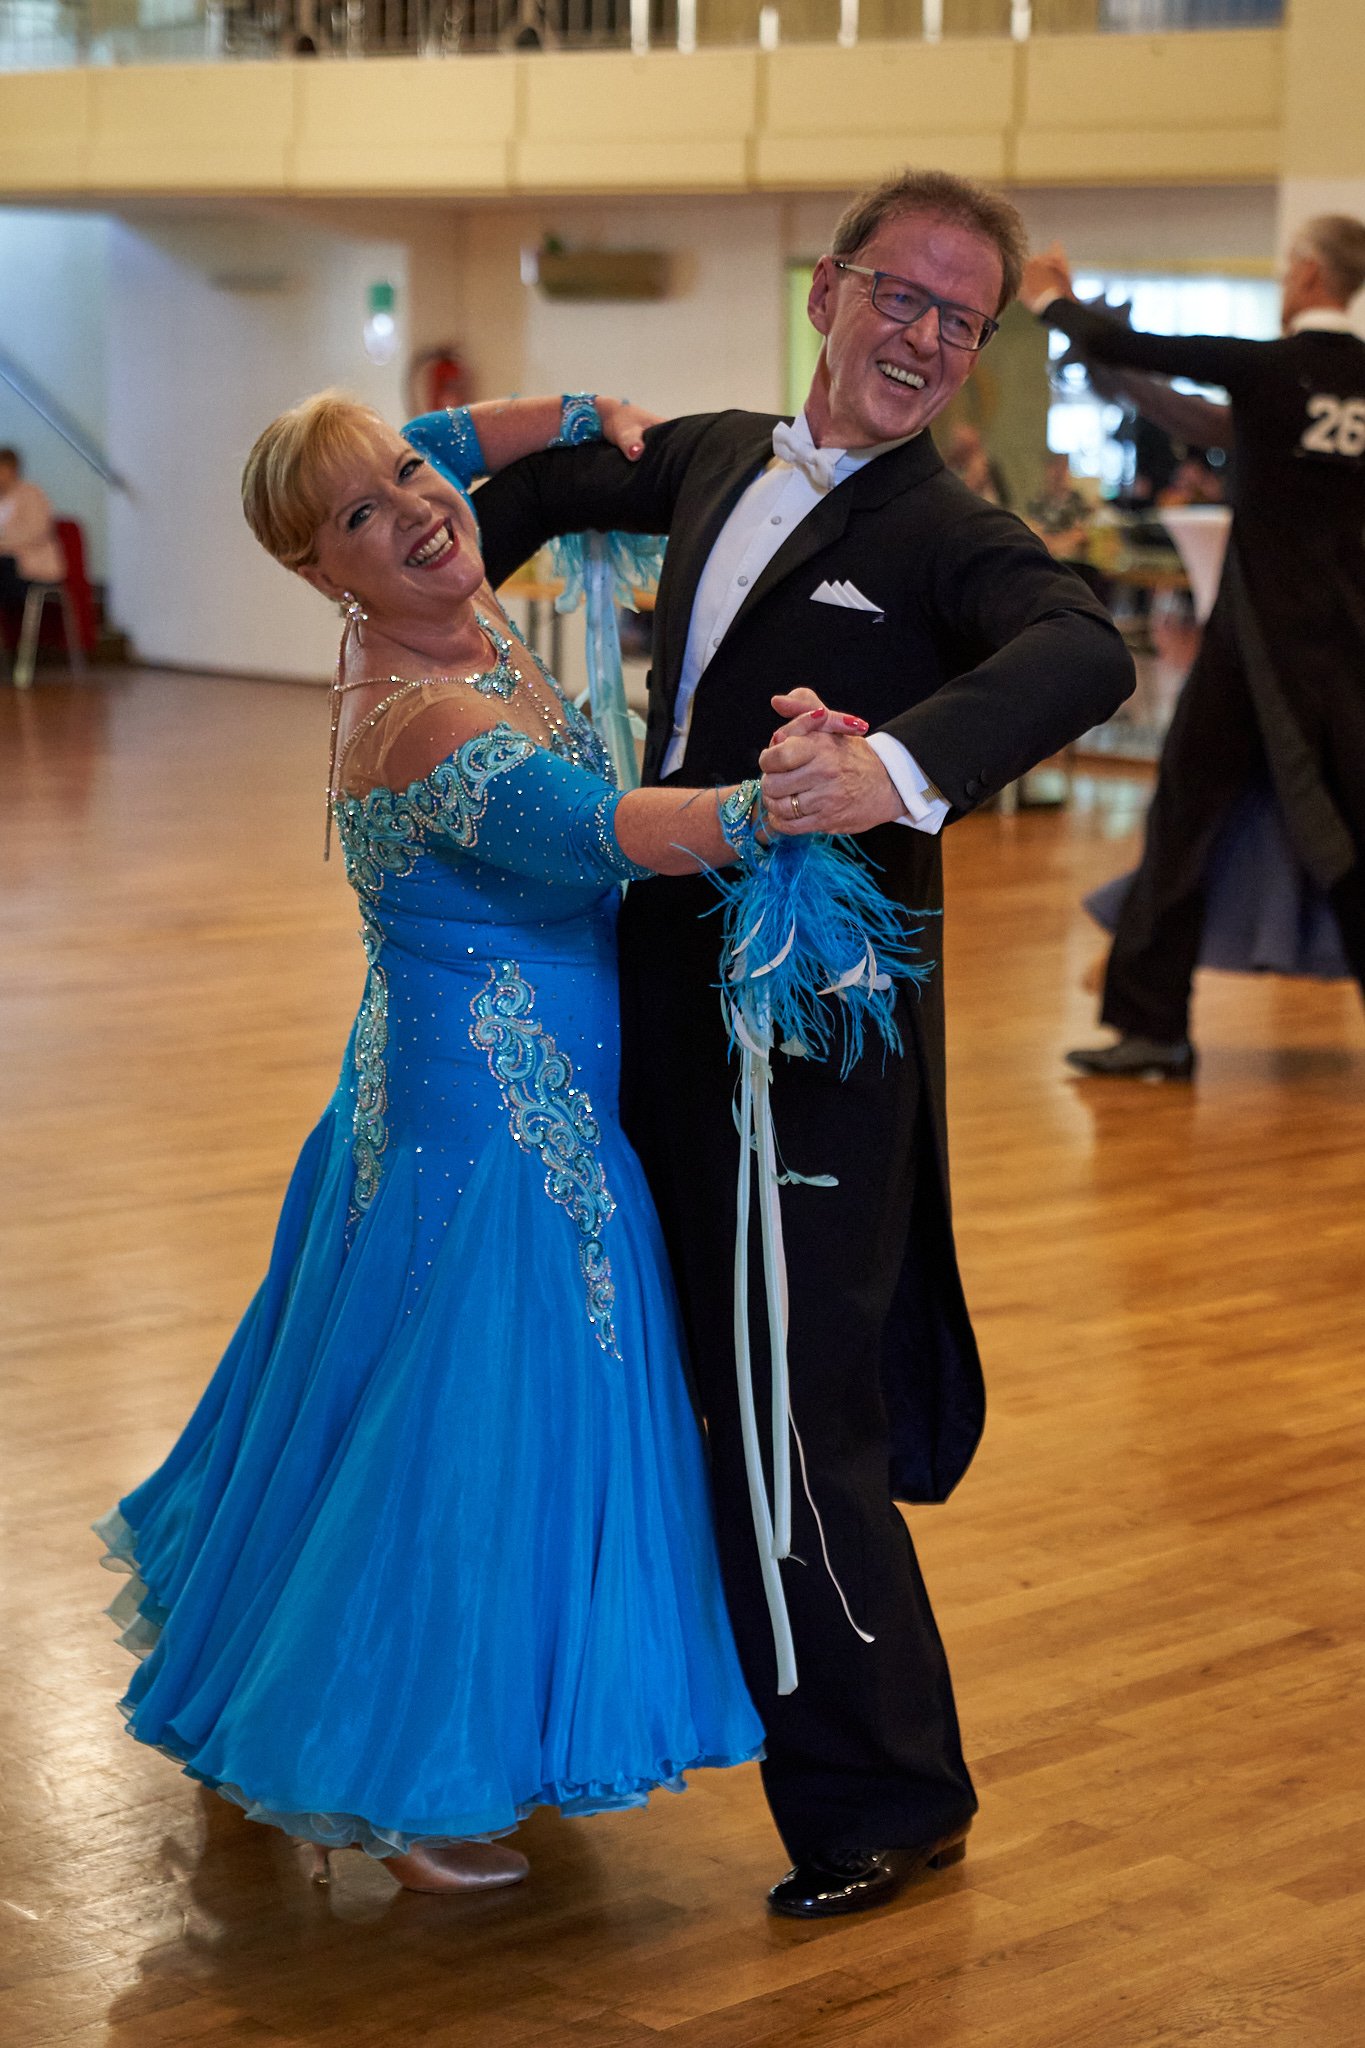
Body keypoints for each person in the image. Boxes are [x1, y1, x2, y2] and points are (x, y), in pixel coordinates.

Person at [425, 167, 1135, 1919]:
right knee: (612, 1362)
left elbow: (1084, 647)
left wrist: (889, 767)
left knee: (790, 1405)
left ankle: (888, 1796)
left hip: (807, 1042)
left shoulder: (948, 530)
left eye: (963, 320)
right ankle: (539, 1727)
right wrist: (520, 470)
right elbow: (494, 501)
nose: (926, 339)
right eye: (903, 296)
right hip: (637, 986)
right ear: (829, 291)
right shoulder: (714, 454)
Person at [94, 387, 781, 1898]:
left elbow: (438, 448)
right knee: (460, 1439)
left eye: (411, 475)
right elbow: (608, 833)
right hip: (497, 1134)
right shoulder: (428, 719)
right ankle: (394, 1760)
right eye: (364, 515)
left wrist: (578, 411)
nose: (417, 506)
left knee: (381, 1401)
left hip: (424, 1088)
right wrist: (784, 802)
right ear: (318, 571)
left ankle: (327, 1681)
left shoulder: (425, 591)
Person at [1021, 218, 1365, 1079]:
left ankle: (1151, 1029)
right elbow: (1176, 401)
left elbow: (1130, 345)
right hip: (1346, 656)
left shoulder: (1270, 369)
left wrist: (1051, 300)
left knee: (1184, 823)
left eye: (1287, 268)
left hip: (1255, 654)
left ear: (1309, 273)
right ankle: (1148, 1024)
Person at [0, 445, 64, 615]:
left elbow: (35, 532)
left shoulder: (31, 494)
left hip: (27, 565)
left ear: (12, 470)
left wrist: (4, 544)